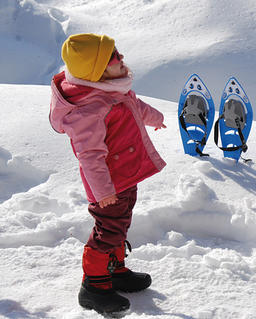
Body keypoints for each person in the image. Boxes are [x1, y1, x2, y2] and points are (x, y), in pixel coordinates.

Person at [49, 33, 166, 314]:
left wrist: (155, 118)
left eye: (117, 51)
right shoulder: (89, 108)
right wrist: (103, 192)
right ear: (97, 71)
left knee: (120, 224)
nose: (121, 57)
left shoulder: (110, 89)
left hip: (124, 177)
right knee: (108, 231)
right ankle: (94, 285)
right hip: (108, 186)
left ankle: (114, 270)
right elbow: (90, 156)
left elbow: (134, 105)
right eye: (113, 56)